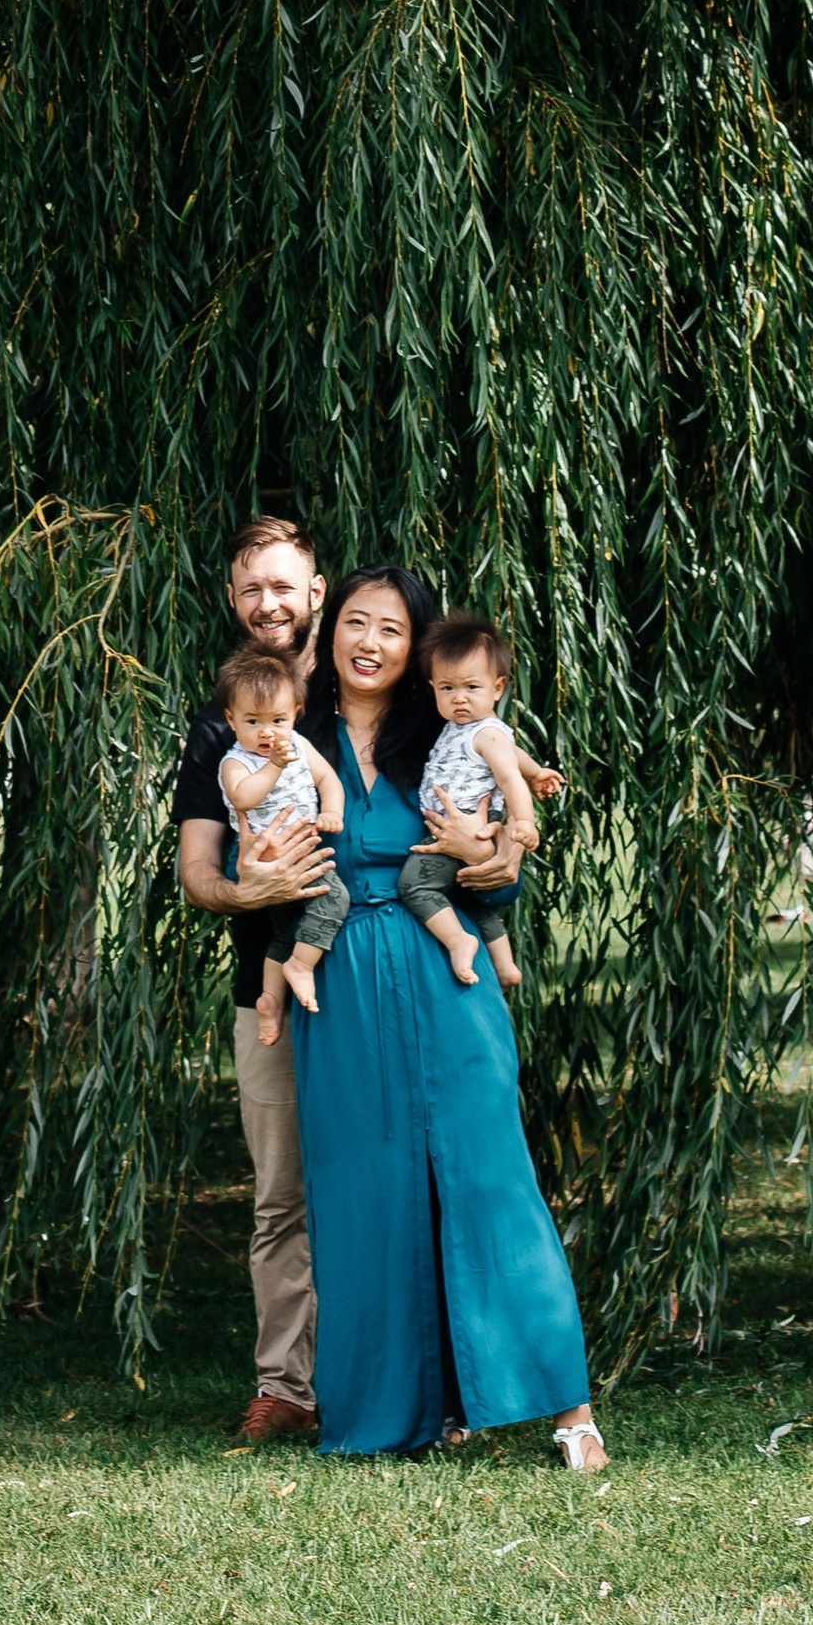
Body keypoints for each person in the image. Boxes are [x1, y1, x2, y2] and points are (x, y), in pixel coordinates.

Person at [288, 563, 608, 1468]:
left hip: (442, 966)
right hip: (342, 977)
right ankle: (399, 1413)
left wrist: (493, 847)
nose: (370, 642)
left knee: (488, 1172)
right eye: (356, 621)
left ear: (418, 647)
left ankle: (568, 1410)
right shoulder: (293, 730)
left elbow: (506, 856)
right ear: (329, 626)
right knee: (366, 1189)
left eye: (392, 629)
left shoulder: (449, 725)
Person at [171, 515, 331, 1445]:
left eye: (285, 585)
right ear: (233, 604)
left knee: (387, 1179)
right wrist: (247, 887)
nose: (268, 603)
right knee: (281, 1196)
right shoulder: (219, 724)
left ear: (318, 591)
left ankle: (401, 1379)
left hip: (375, 977)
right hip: (260, 992)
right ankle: (285, 1387)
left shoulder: (370, 696)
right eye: (250, 589)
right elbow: (196, 870)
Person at [395, 617, 563, 989]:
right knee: (472, 900)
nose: (459, 698)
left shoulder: (485, 733)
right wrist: (538, 772)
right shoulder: (466, 729)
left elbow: (508, 778)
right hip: (462, 821)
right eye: (447, 688)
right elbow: (516, 757)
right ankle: (505, 966)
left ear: (498, 688)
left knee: (415, 886)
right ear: (432, 688)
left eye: (472, 687)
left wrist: (524, 822)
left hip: (471, 821)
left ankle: (459, 941)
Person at [213, 645, 349, 1033]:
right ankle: (301, 966)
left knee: (286, 931)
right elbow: (243, 796)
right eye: (253, 721)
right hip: (265, 857)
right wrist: (274, 766)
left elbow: (328, 780)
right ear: (231, 719)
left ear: (296, 716)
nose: (267, 732)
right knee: (335, 899)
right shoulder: (236, 761)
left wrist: (332, 812)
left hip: (302, 850)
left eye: (278, 719)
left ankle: (270, 1001)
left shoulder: (301, 746)